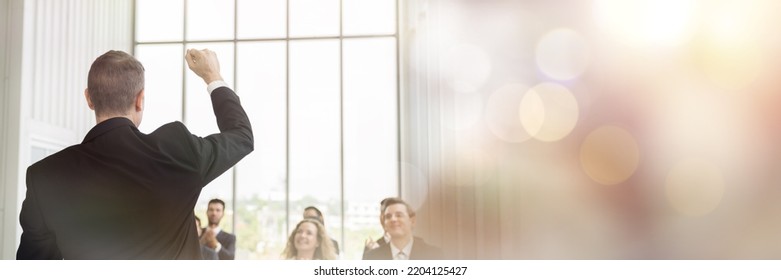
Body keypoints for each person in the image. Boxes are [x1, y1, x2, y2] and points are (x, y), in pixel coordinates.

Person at [16, 49, 253, 259]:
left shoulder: (44, 176)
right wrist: (212, 76)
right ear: (140, 100)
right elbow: (241, 136)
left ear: (89, 98)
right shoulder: (177, 151)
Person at [363, 198, 443, 260]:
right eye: (388, 216)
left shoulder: (435, 255)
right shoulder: (371, 258)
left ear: (412, 220)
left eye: (399, 215)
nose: (393, 219)